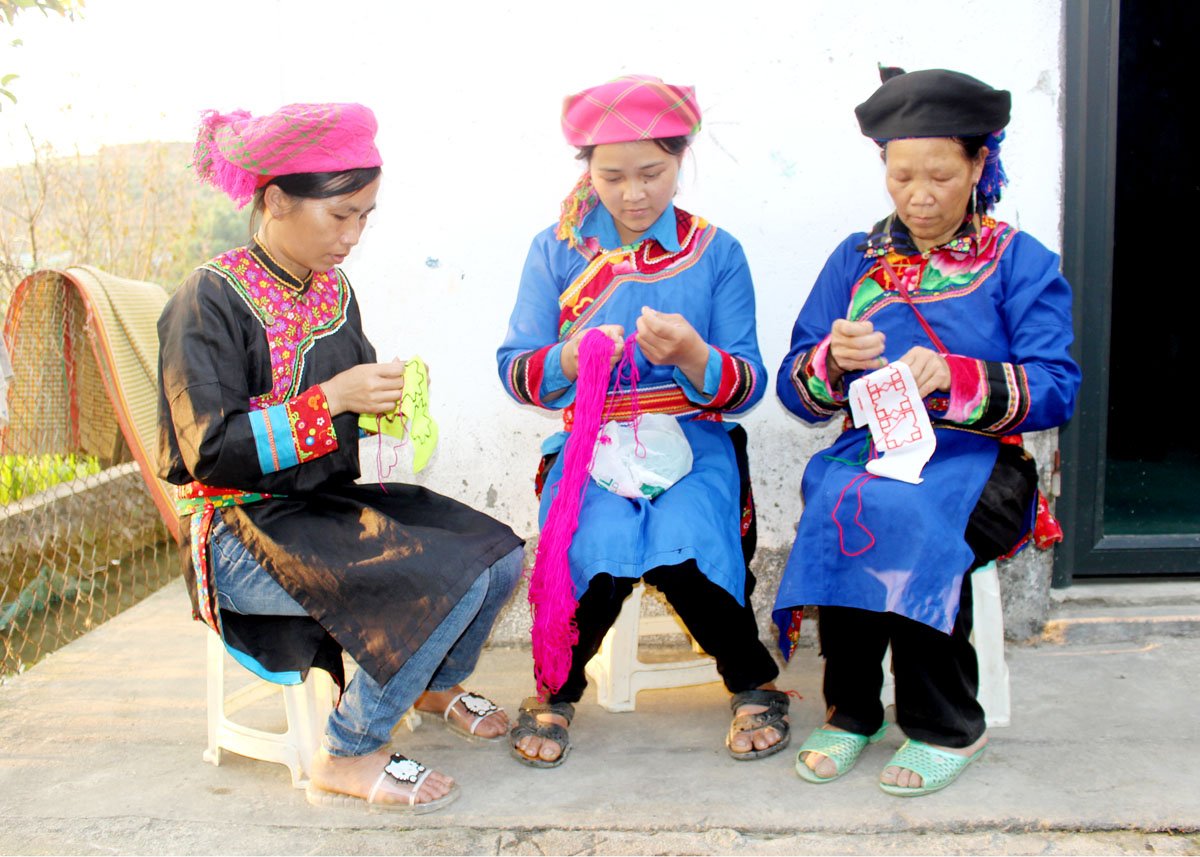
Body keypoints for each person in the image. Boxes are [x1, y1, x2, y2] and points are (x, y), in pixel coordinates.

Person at [157, 103, 525, 813]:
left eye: (366, 216)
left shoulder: (332, 290)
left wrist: (382, 407)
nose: (353, 236)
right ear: (274, 200)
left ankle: (431, 680)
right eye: (340, 216)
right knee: (435, 577)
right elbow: (210, 451)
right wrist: (329, 402)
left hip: (314, 511)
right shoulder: (208, 298)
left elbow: (339, 430)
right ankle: (350, 749)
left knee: (497, 553)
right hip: (236, 534)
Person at [772, 68, 1081, 796]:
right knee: (845, 503)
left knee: (912, 516)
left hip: (985, 466)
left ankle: (946, 725)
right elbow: (798, 388)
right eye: (901, 174)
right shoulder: (857, 260)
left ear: (980, 165)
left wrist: (954, 375)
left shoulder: (1020, 262)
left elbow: (1058, 388)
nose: (919, 194)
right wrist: (830, 359)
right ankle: (852, 712)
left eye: (941, 174)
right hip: (872, 453)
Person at [497, 75, 786, 767]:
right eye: (612, 175)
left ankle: (752, 684)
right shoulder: (556, 250)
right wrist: (569, 356)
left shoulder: (717, 252)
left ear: (680, 161)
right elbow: (515, 367)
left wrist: (693, 354)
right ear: (586, 170)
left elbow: (746, 383)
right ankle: (557, 691)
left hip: (693, 433)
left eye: (652, 173)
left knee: (685, 532)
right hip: (592, 433)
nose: (633, 194)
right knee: (593, 532)